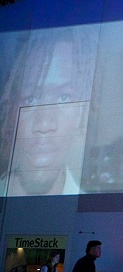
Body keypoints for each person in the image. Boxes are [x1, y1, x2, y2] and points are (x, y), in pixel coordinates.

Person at [0, 25, 98, 196]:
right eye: (31, 99)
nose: (44, 124)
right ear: (11, 110)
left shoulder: (98, 218)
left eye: (64, 97)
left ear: (81, 113)